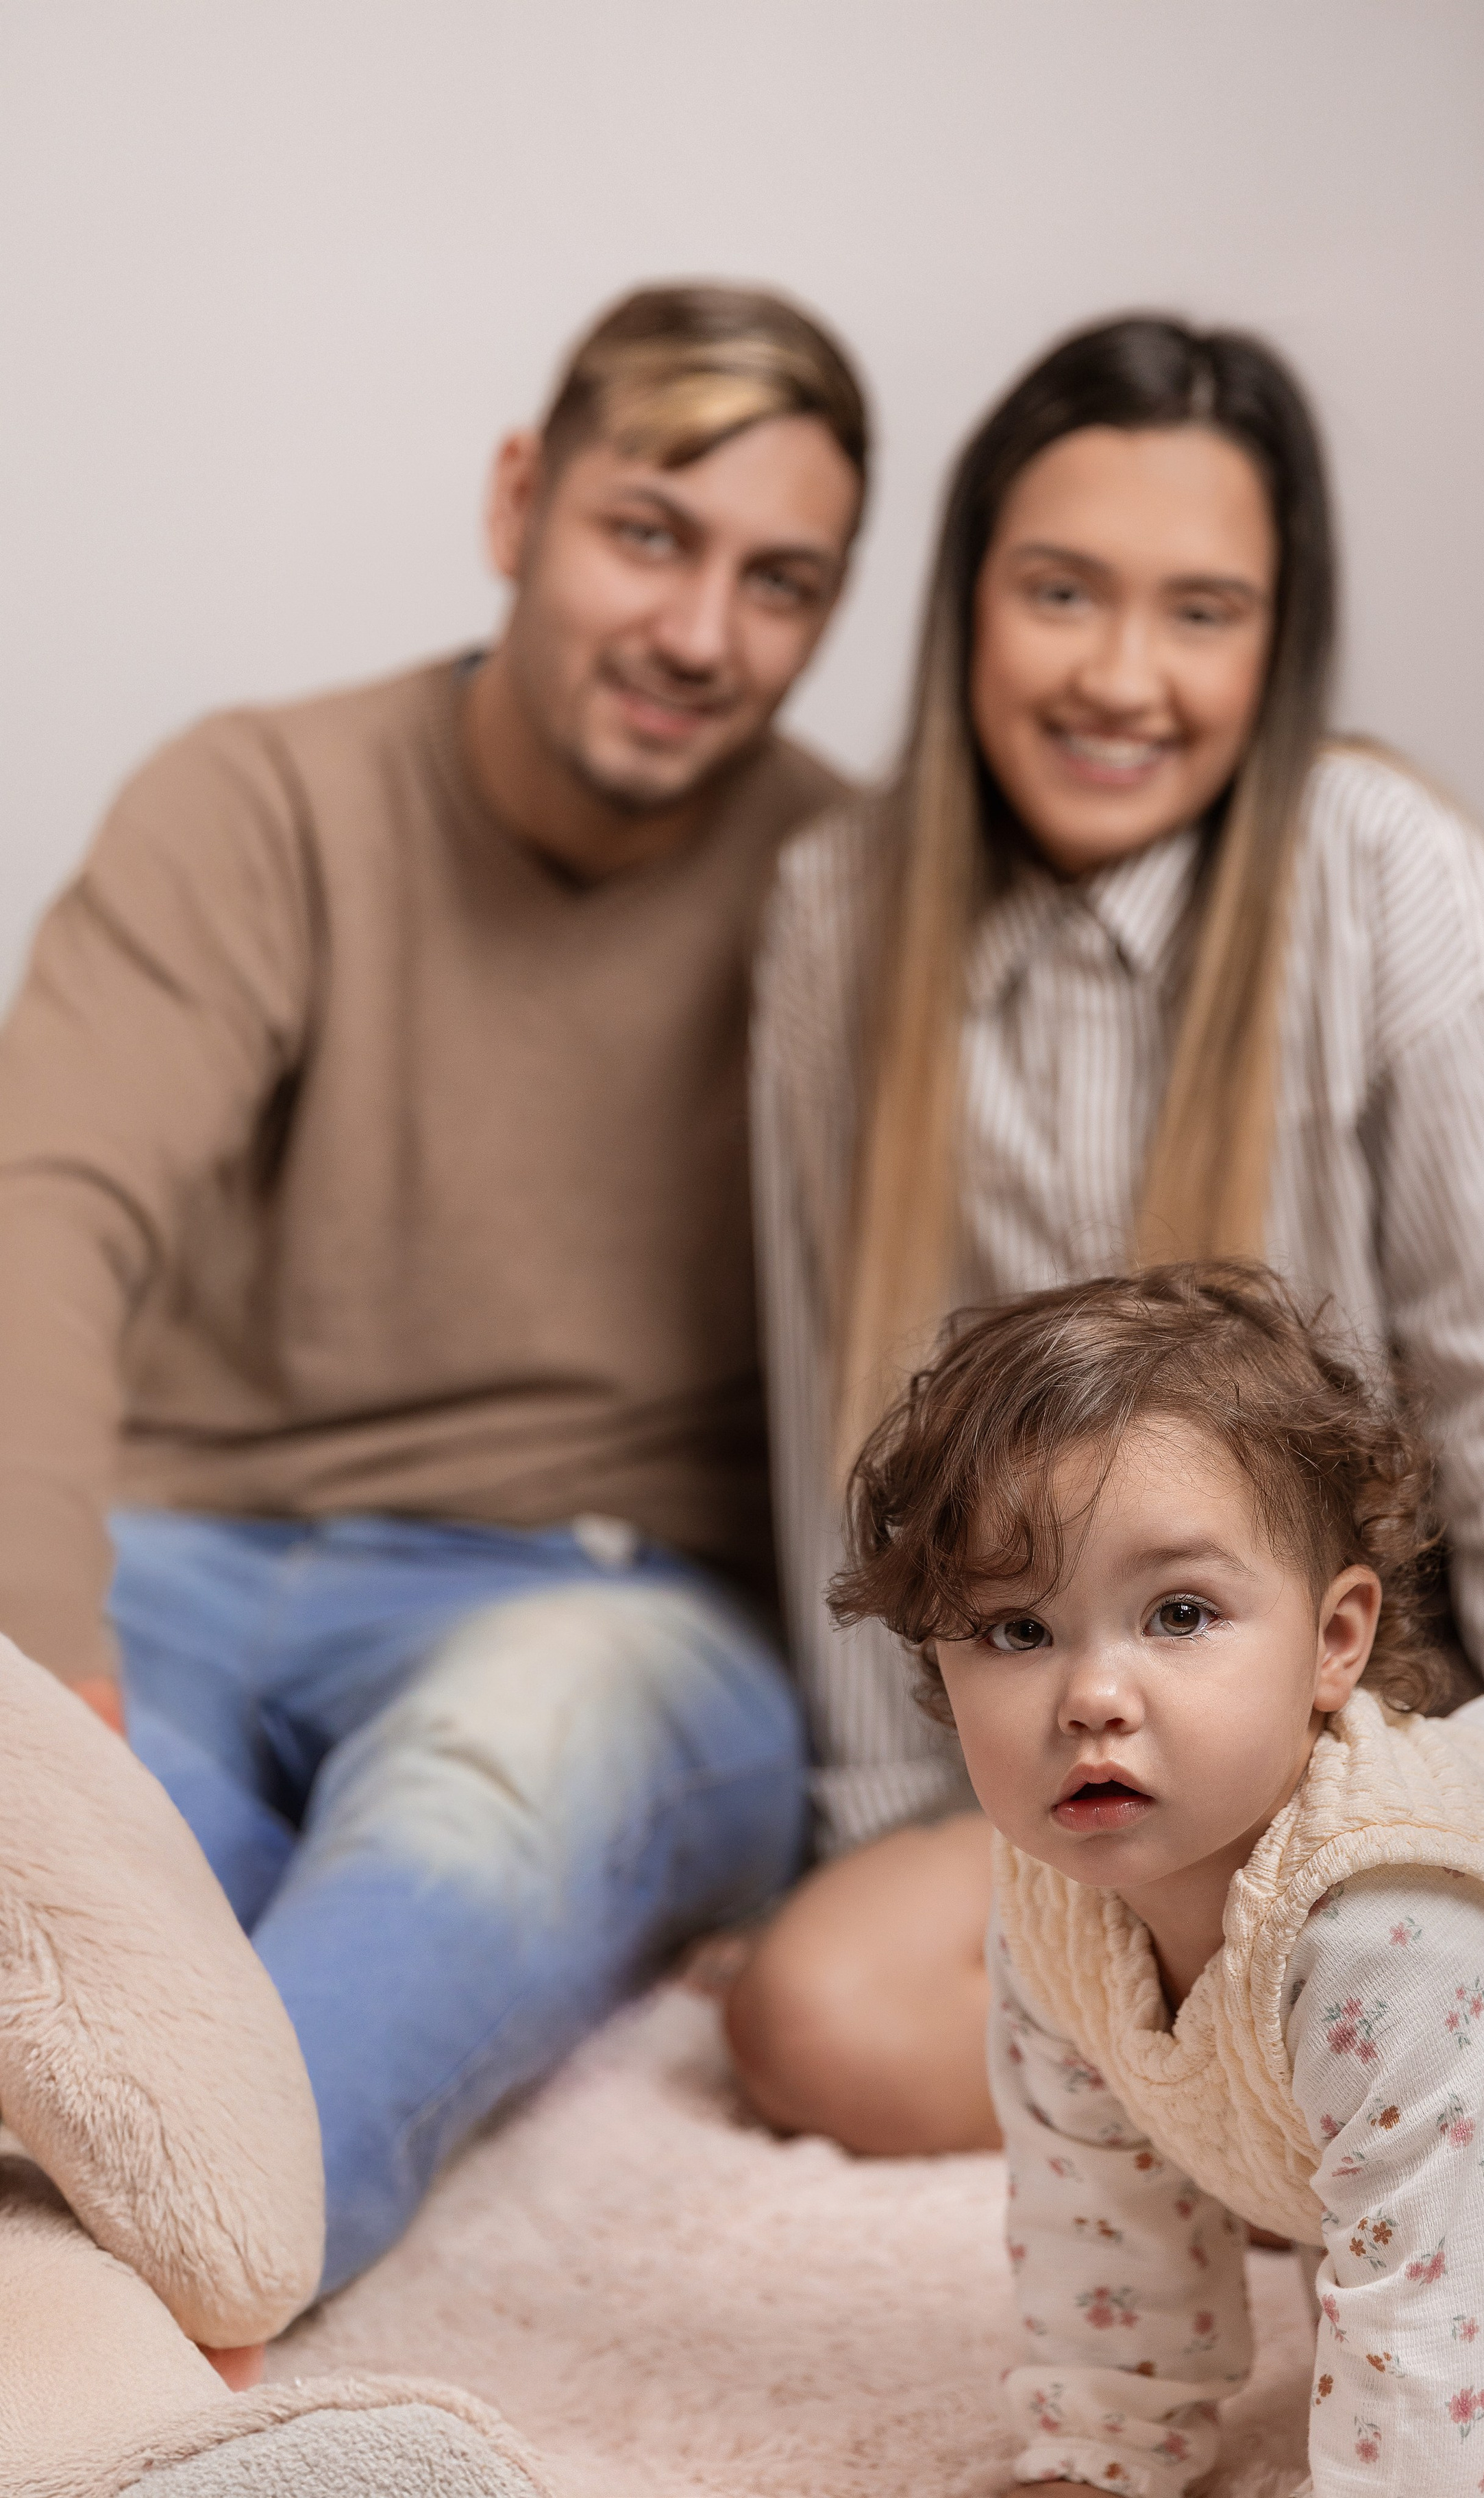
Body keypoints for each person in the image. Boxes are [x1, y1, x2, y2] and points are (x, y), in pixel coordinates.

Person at [728, 313, 1484, 2157]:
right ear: (966, 605)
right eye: (1060, 592)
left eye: (1200, 610)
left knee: (1377, 1975)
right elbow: (833, 1404)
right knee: (805, 2017)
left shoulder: (1382, 866)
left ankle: (1328, 2084)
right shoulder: (837, 908)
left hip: (1368, 1736)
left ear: (1278, 639)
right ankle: (1265, 2108)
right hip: (1070, 1737)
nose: (1120, 675)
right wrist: (875, 1828)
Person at [0, 282, 868, 2293]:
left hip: (602, 1595)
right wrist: (45, 1655)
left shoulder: (849, 886)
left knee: (478, 1808)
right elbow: (46, 1198)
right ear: (516, 502)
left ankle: (156, 2308)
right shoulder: (264, 798)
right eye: (648, 533)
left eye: (780, 582)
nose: (700, 632)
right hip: (181, 1552)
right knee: (97, 1882)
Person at [832, 1260, 1484, 2497]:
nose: (1093, 1696)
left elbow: (1429, 2327)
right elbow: (1094, 2205)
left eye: (1179, 1614)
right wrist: (1102, 2449)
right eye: (1017, 1631)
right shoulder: (1051, 1896)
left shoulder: (1403, 1934)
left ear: (1333, 1641)